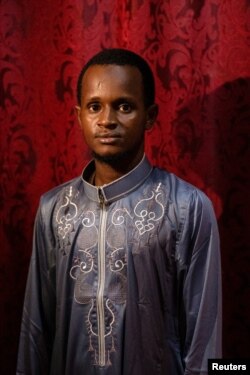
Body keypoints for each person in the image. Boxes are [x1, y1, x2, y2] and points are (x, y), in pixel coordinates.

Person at [17, 48, 222, 375]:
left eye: (124, 106)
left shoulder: (187, 207)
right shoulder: (54, 210)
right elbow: (35, 329)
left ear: (150, 116)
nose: (107, 120)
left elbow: (204, 335)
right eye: (95, 107)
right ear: (79, 115)